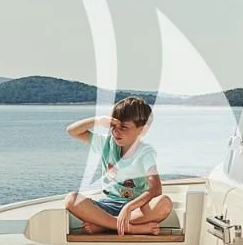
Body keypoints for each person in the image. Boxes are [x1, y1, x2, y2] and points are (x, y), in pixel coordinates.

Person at [64, 95, 173, 236]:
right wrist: (98, 121)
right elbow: (71, 131)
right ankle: (127, 228)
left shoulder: (145, 152)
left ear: (142, 130)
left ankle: (106, 225)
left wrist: (129, 207)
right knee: (71, 199)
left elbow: (156, 189)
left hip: (135, 209)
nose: (116, 131)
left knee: (164, 203)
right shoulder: (106, 144)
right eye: (113, 126)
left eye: (124, 127)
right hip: (107, 206)